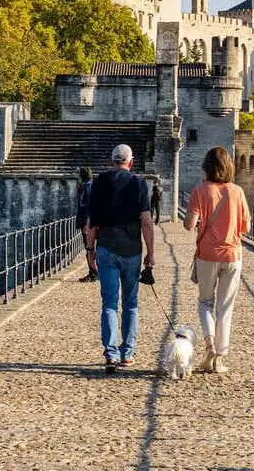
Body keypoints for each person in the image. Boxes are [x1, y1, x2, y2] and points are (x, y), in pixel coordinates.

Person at [87, 144, 155, 373]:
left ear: (112, 160)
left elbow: (92, 222)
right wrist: (151, 253)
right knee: (131, 304)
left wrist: (90, 249)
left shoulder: (99, 182)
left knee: (109, 303)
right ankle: (127, 353)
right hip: (131, 251)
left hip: (106, 247)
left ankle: (110, 353)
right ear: (131, 162)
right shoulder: (138, 183)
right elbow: (146, 221)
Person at [183, 146, 251, 374]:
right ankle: (219, 358)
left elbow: (189, 224)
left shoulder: (200, 190)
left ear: (206, 167)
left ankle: (209, 343)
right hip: (233, 255)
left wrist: (201, 220)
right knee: (225, 307)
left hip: (207, 254)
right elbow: (246, 227)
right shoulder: (237, 191)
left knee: (205, 302)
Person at [76, 167, 97, 282]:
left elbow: (87, 206)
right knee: (90, 248)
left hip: (86, 222)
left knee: (89, 248)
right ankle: (94, 272)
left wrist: (85, 224)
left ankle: (93, 273)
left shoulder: (88, 186)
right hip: (88, 221)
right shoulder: (89, 185)